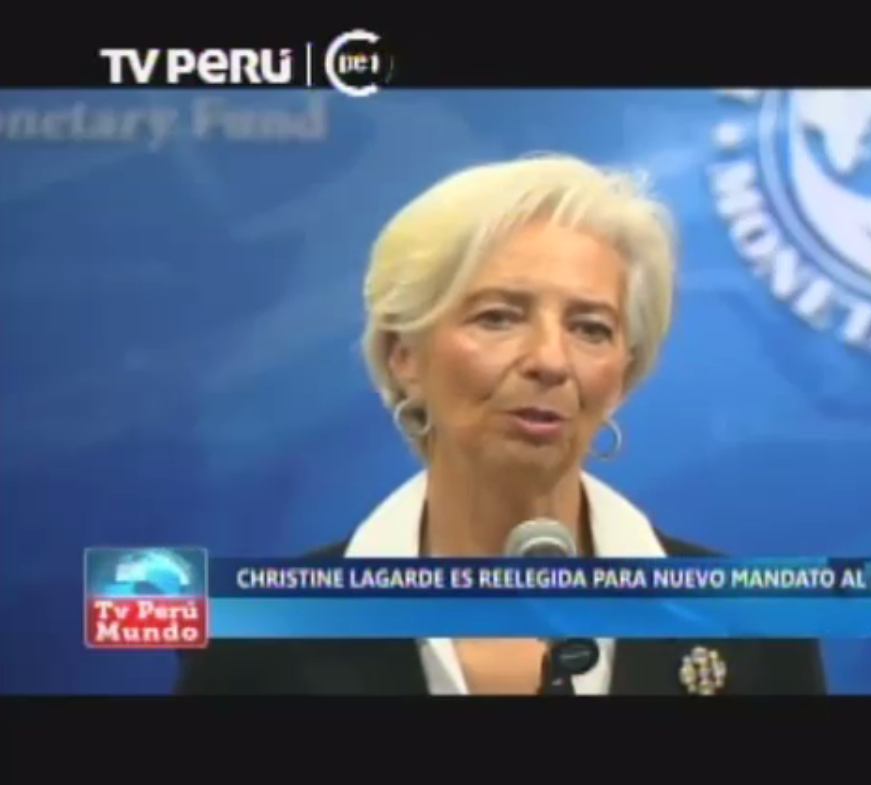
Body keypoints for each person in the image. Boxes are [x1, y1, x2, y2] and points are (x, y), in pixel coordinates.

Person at [174, 154, 826, 695]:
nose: (550, 360)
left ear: (621, 376)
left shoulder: (752, 630)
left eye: (589, 328)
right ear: (405, 356)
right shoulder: (259, 640)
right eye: (498, 317)